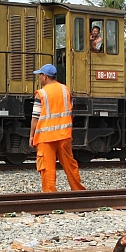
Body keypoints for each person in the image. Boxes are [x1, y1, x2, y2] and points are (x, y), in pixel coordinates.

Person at [29, 63, 86, 192]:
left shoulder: (41, 94)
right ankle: (79, 191)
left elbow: (35, 117)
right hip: (64, 135)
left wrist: (32, 135)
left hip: (46, 137)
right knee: (70, 164)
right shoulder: (65, 90)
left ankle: (50, 196)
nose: (39, 78)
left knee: (47, 167)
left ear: (45, 77)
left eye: (40, 76)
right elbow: (70, 110)